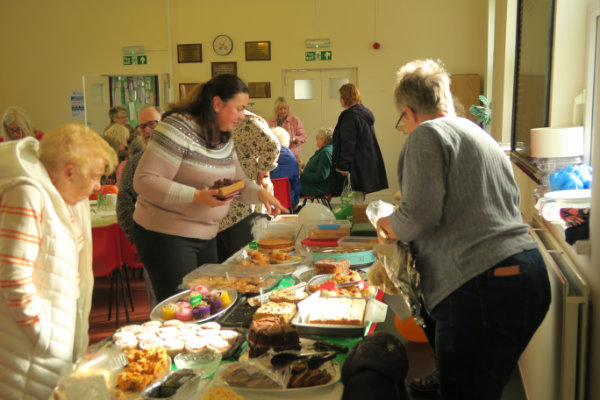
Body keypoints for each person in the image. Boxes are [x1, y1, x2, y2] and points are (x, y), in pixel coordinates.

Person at [376, 59, 551, 400]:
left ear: (409, 112)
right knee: (480, 386)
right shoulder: (480, 135)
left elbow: (418, 217)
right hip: (527, 272)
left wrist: (386, 224)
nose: (405, 128)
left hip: (481, 282)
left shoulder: (426, 134)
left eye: (402, 121)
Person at [132, 74, 287, 302]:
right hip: (166, 236)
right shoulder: (176, 128)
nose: (242, 115)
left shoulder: (223, 136)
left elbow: (239, 183)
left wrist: (261, 193)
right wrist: (197, 196)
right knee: (185, 305)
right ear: (216, 104)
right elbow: (144, 180)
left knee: (207, 302)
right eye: (239, 108)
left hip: (205, 234)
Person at [0, 124, 117, 400]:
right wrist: (45, 335)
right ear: (69, 172)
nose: (97, 186)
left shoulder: (63, 198)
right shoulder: (27, 194)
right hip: (28, 351)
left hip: (52, 344)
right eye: (95, 177)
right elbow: (12, 276)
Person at [217, 110, 281, 262]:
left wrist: (264, 174)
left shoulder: (247, 121)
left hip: (244, 209)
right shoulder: (214, 122)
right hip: (222, 210)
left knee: (250, 259)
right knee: (230, 263)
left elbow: (272, 146)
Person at [116, 105, 163, 308]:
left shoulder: (184, 157)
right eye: (142, 126)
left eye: (152, 124)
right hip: (153, 244)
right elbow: (123, 204)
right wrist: (138, 238)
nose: (147, 130)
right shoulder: (134, 164)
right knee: (160, 305)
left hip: (188, 241)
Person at [330, 83, 388, 203]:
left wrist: (343, 166)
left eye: (341, 96)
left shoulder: (350, 116)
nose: (339, 99)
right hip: (365, 164)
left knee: (351, 203)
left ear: (345, 97)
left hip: (354, 166)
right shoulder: (364, 113)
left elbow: (348, 143)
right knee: (358, 199)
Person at [270, 126, 301, 210]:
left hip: (268, 202)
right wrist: (296, 202)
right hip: (289, 203)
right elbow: (296, 186)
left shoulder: (263, 160)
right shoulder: (293, 161)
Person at [268, 97, 306, 162]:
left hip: (292, 155)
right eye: (280, 109)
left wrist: (293, 139)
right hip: (276, 155)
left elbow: (303, 137)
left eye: (285, 108)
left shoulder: (295, 120)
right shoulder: (271, 121)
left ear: (288, 108)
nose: (283, 111)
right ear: (276, 110)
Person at [300, 127, 334, 197]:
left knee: (289, 187)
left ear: (323, 141)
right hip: (317, 185)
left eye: (317, 137)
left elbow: (321, 176)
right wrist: (302, 165)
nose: (316, 139)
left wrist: (301, 175)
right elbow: (317, 168)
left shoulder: (325, 153)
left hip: (319, 188)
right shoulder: (327, 150)